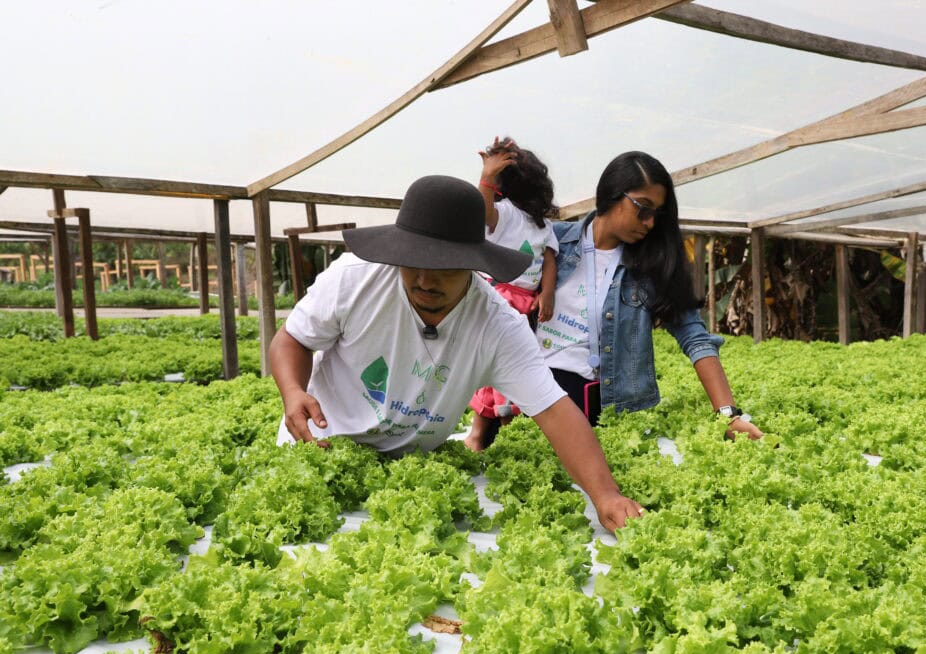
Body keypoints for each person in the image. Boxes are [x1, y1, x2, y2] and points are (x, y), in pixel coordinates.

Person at [269, 174, 644, 532]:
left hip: (406, 478)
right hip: (318, 453)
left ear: (473, 264)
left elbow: (554, 410)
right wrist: (293, 392)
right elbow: (292, 340)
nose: (425, 280)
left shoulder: (497, 325)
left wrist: (606, 496)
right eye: (413, 262)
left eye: (444, 267)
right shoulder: (354, 279)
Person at [534, 151, 763, 440]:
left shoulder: (651, 264)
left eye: (657, 214)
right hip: (538, 394)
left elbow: (694, 336)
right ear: (612, 194)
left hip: (608, 407)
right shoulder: (552, 240)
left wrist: (728, 414)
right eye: (643, 208)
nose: (650, 222)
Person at [464, 136, 559, 452]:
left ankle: (488, 433)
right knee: (501, 365)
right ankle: (491, 431)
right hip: (497, 299)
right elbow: (482, 215)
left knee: (508, 366)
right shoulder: (504, 213)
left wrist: (547, 293)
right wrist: (486, 179)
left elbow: (549, 258)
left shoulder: (542, 225)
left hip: (523, 304)